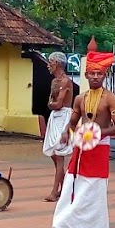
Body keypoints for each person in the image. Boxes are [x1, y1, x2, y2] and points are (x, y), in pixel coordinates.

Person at [36, 50, 115, 228]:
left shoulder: (111, 99)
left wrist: (98, 133)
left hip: (99, 150)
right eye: (91, 73)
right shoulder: (80, 99)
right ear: (85, 75)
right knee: (70, 190)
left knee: (94, 192)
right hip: (81, 149)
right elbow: (73, 122)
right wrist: (69, 132)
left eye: (99, 73)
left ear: (104, 75)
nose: (95, 77)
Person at [41, 52, 73, 202]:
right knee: (54, 155)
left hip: (64, 117)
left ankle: (55, 192)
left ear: (57, 64)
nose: (48, 65)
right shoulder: (54, 82)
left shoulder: (66, 81)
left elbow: (58, 103)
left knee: (59, 156)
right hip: (55, 117)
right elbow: (51, 103)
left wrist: (53, 104)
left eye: (50, 62)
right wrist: (53, 104)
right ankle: (66, 187)